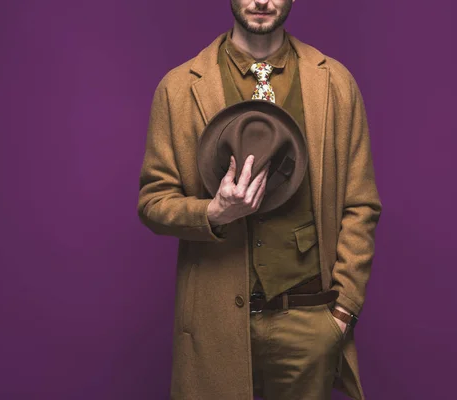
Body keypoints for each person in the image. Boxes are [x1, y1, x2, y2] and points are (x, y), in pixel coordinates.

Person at [137, 0, 382, 399]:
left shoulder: (335, 82)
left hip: (309, 322)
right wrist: (212, 213)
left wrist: (341, 313)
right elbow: (153, 201)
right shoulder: (179, 87)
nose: (262, 1)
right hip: (215, 327)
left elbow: (361, 204)